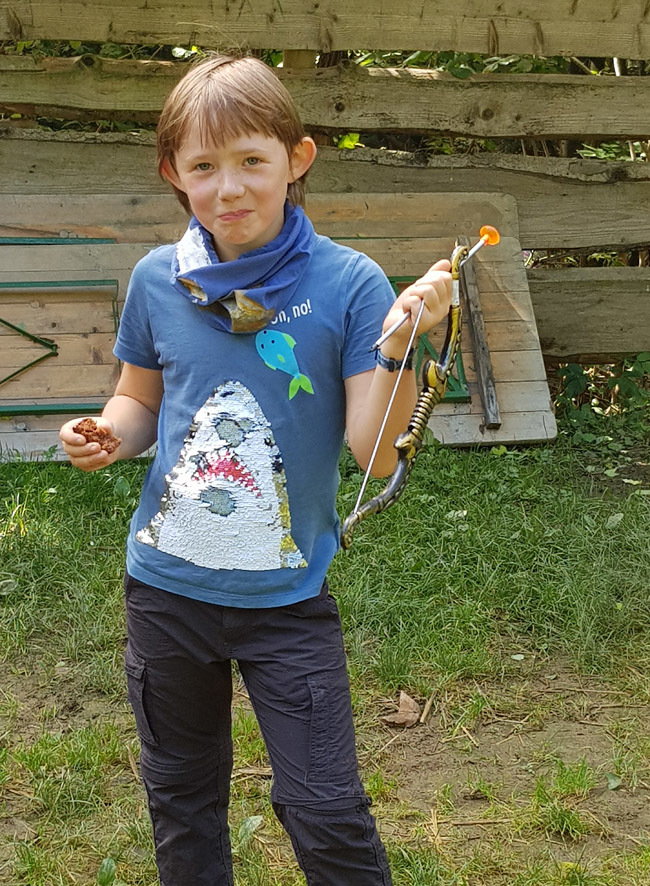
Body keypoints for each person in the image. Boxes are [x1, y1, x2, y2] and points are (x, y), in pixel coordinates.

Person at [60, 53, 452, 886]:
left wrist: (397, 345)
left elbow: (375, 453)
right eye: (204, 166)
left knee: (325, 808)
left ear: (296, 158)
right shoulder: (157, 280)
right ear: (174, 174)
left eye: (250, 160)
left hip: (287, 604)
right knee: (181, 797)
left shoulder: (350, 284)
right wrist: (107, 433)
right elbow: (137, 399)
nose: (229, 187)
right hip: (166, 596)